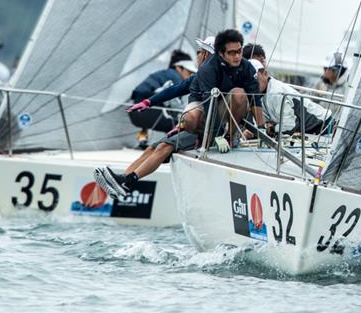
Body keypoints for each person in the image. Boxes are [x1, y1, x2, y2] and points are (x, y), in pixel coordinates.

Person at [94, 29, 266, 198]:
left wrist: (254, 131)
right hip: (202, 126)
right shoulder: (204, 73)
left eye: (201, 52)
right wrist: (148, 102)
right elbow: (176, 89)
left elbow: (240, 104)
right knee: (154, 147)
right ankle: (123, 179)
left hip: (211, 132)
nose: (198, 56)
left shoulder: (224, 72)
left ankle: (127, 182)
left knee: (163, 146)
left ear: (209, 55)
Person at [126, 49, 196, 148]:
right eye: (189, 72)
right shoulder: (175, 77)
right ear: (179, 68)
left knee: (165, 109)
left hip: (135, 114)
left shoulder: (164, 73)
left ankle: (142, 138)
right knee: (181, 121)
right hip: (147, 113)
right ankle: (169, 145)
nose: (190, 76)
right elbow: (175, 104)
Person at [251, 59, 333, 136]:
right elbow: (264, 123)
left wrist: (271, 129)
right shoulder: (260, 94)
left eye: (256, 79)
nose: (253, 83)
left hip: (323, 127)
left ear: (265, 74)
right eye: (249, 80)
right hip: (309, 131)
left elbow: (289, 125)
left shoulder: (276, 93)